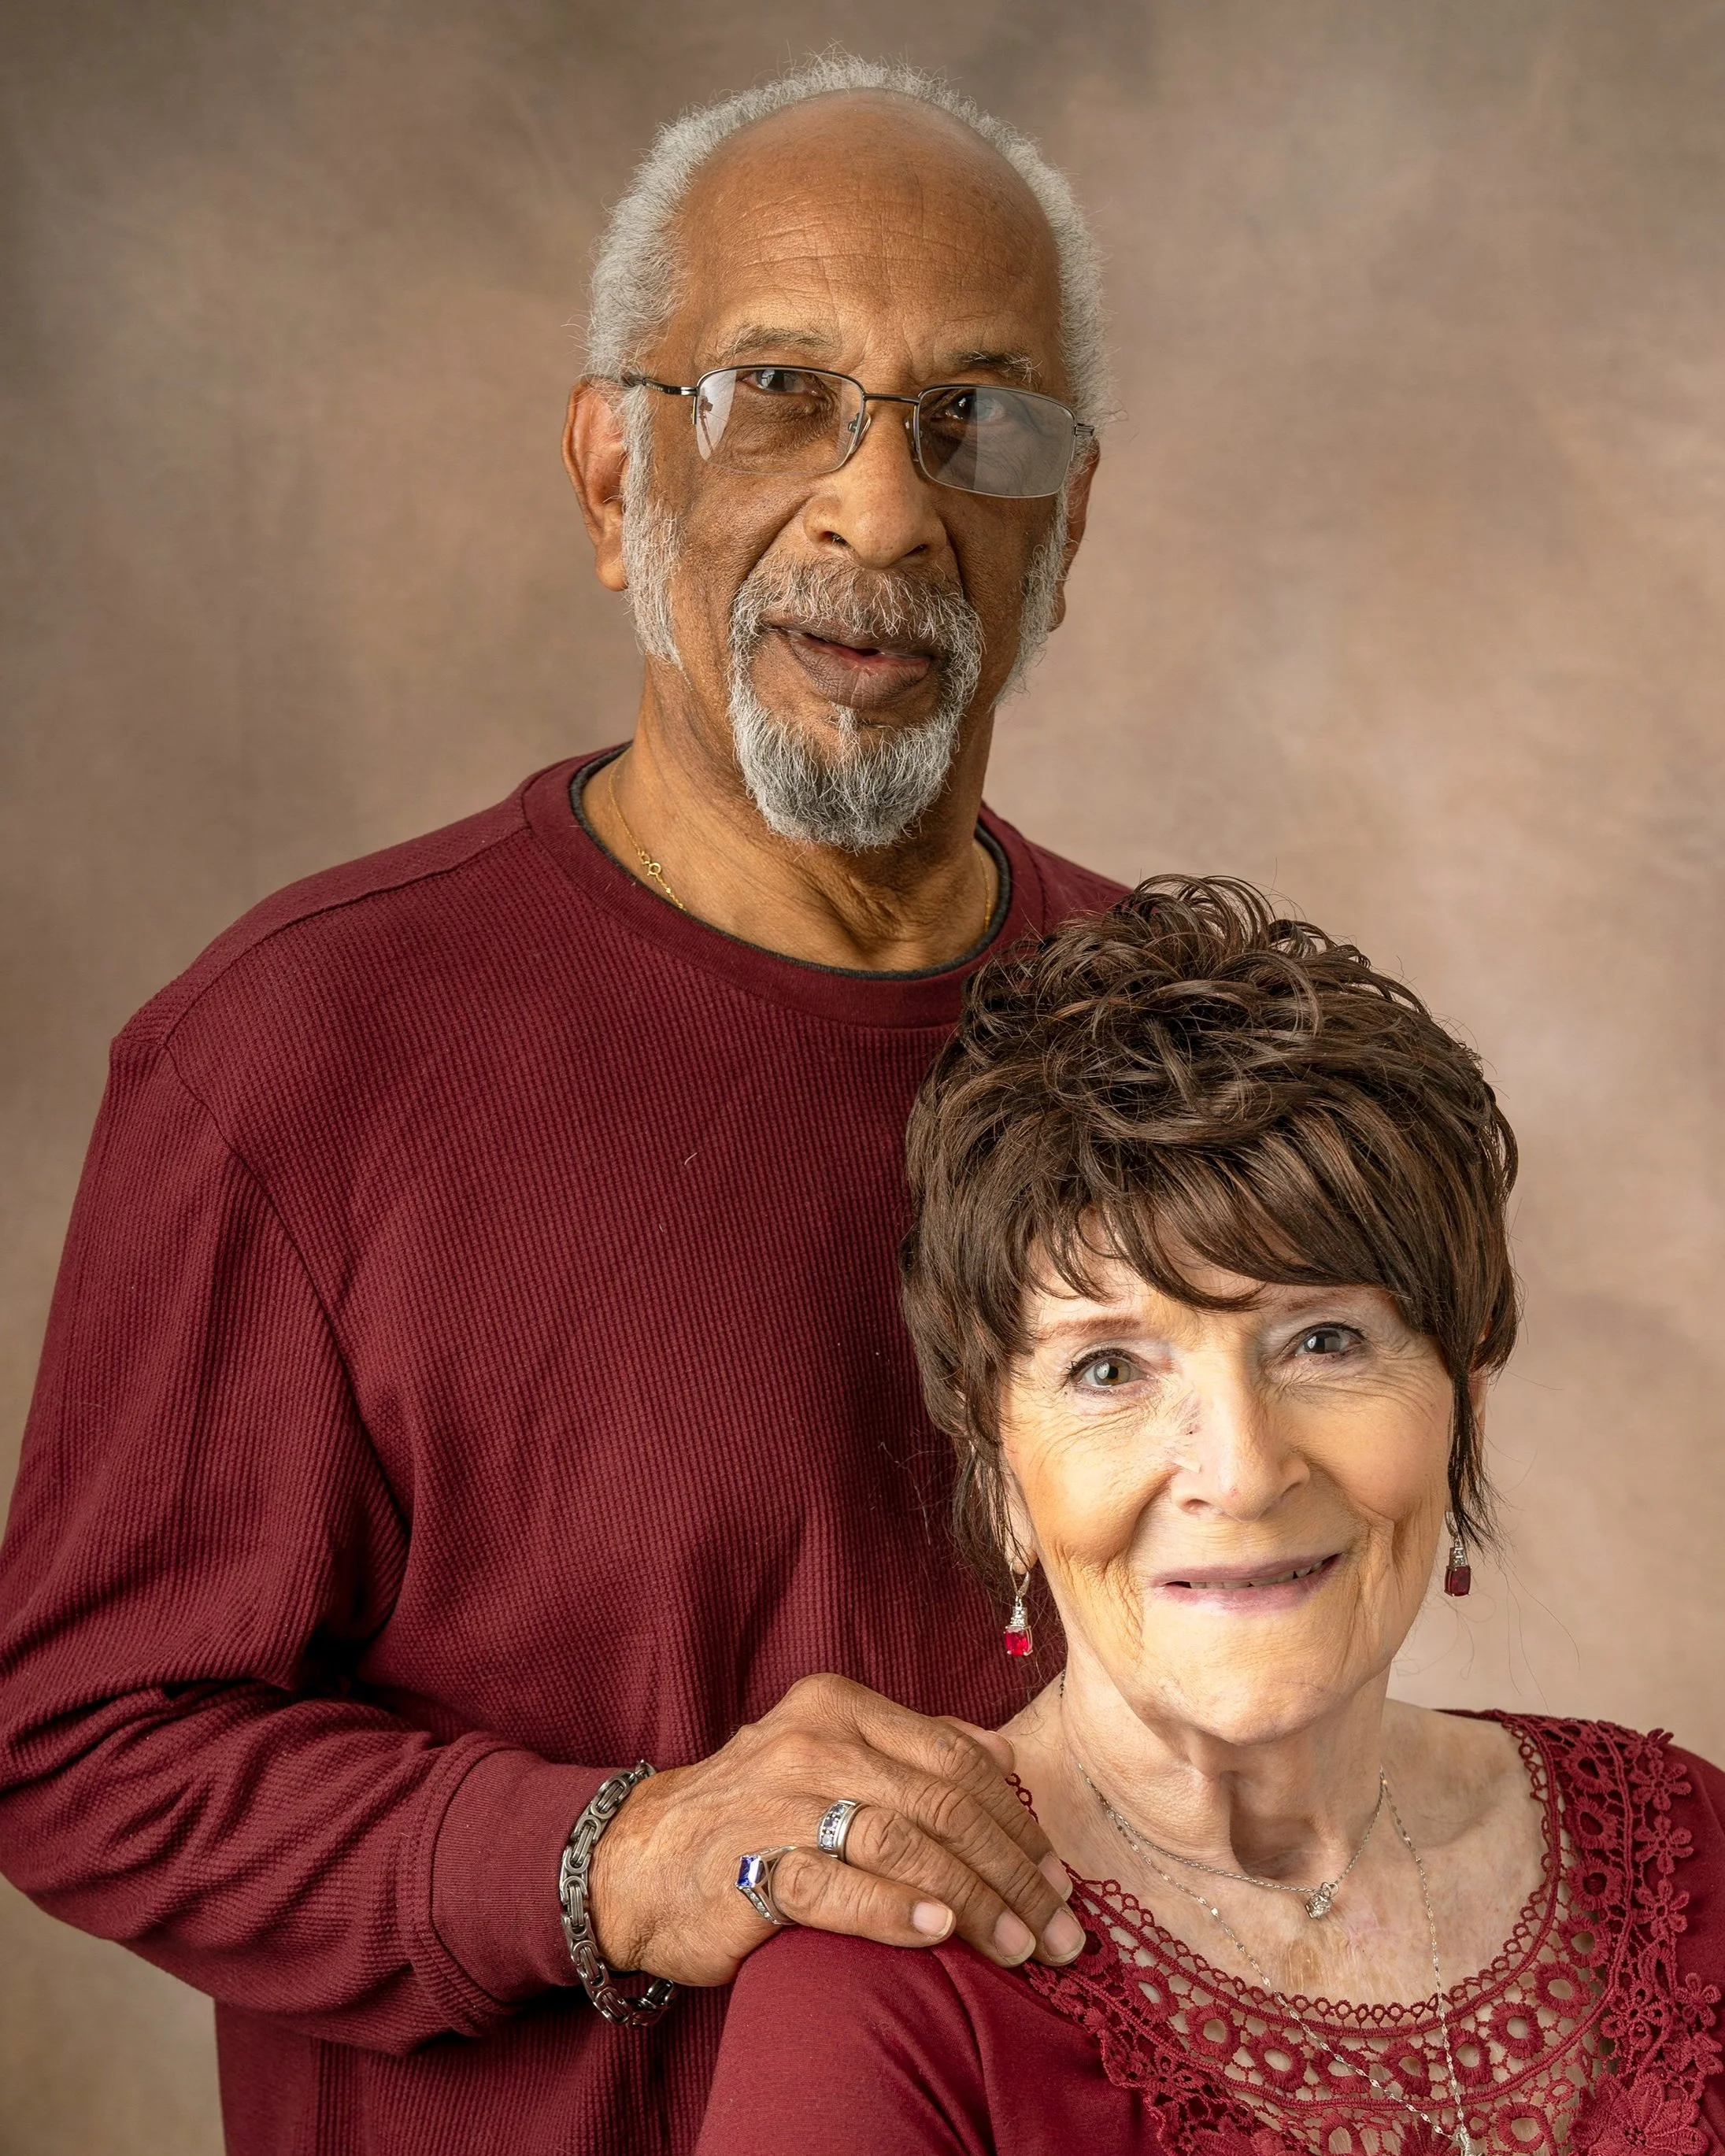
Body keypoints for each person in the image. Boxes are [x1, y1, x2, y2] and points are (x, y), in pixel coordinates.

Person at [0, 55, 1122, 2156]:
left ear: (1064, 519)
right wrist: (612, 1854)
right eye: (774, 391)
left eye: (970, 420)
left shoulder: (1188, 1043)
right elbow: (81, 1745)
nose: (878, 510)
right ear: (613, 476)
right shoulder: (296, 1056)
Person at [696, 877, 1725, 2156]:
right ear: (993, 1459)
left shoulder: (1690, 1851)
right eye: (1109, 1369)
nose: (1237, 1472)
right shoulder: (885, 1991)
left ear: (1460, 1398)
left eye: (1325, 1338)